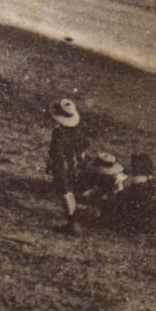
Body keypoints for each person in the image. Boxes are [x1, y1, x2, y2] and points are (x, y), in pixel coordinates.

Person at [45, 98, 87, 235]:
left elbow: (56, 151)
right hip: (72, 164)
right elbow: (82, 147)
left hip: (62, 165)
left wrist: (52, 164)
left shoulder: (58, 132)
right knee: (69, 191)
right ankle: (73, 221)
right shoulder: (76, 131)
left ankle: (72, 223)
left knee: (64, 192)